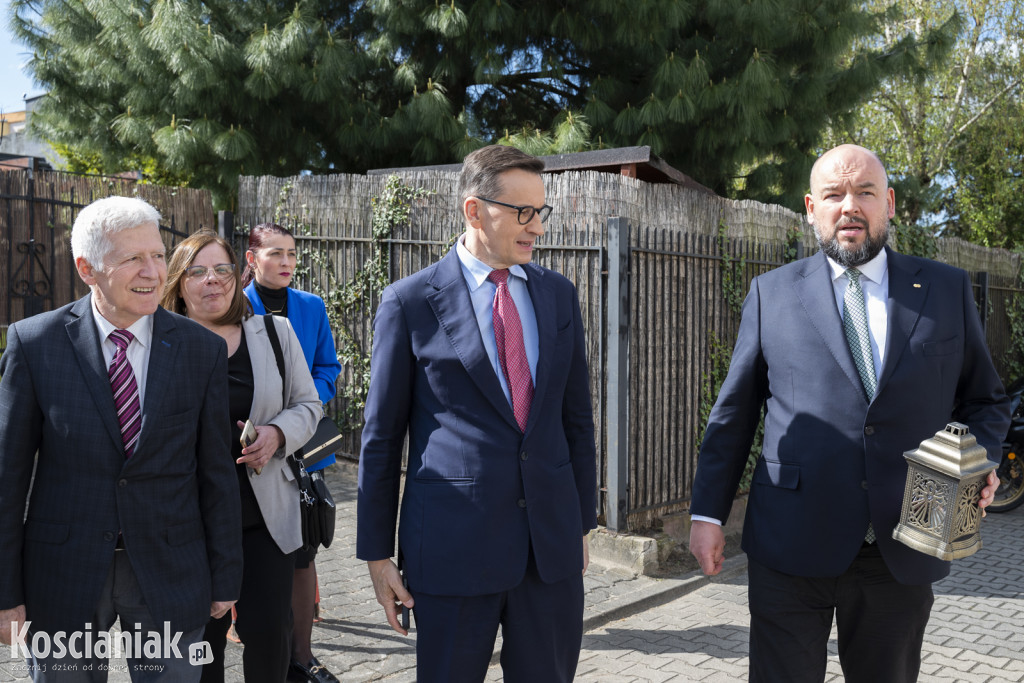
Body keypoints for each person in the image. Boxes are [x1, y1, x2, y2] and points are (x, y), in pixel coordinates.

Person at [688, 143, 1012, 683]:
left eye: (865, 192)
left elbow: (985, 400)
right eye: (834, 194)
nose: (850, 206)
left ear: (889, 203)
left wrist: (979, 462)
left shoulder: (944, 289)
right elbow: (734, 416)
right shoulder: (771, 294)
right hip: (790, 542)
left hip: (905, 542)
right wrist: (706, 515)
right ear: (811, 207)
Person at [357, 144, 598, 682]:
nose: (538, 227)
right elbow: (381, 437)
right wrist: (376, 554)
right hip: (452, 550)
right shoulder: (409, 302)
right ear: (475, 211)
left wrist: (581, 522)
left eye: (541, 211)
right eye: (523, 212)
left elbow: (576, 419)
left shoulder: (559, 295)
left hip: (550, 551)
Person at [0, 197, 243, 681]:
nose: (153, 272)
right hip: (62, 575)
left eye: (158, 255)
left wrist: (226, 574)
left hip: (171, 570)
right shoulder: (35, 343)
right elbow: (7, 479)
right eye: (133, 258)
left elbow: (216, 472)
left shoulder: (202, 350)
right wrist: (6, 593)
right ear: (87, 268)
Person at [161, 230, 321, 683]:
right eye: (197, 271)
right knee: (200, 645)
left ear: (238, 275)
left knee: (270, 635)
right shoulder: (160, 343)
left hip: (264, 517)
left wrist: (277, 433)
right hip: (190, 523)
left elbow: (309, 405)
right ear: (179, 284)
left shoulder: (274, 332)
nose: (212, 280)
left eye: (222, 269)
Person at [241, 222, 342, 683]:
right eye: (275, 253)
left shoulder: (311, 306)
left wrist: (305, 403)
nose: (286, 262)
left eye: (292, 254)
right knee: (256, 552)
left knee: (302, 554)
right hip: (254, 449)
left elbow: (327, 366)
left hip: (304, 447)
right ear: (252, 258)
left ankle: (301, 657)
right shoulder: (235, 305)